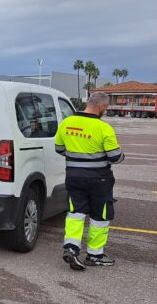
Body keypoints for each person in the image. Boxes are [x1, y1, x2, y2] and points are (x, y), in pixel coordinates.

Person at [55, 92, 124, 270]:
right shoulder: (103, 128)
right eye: (105, 108)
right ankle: (94, 255)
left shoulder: (66, 123)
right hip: (99, 179)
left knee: (75, 213)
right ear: (101, 106)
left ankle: (71, 248)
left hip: (73, 177)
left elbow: (59, 148)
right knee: (100, 216)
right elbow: (115, 157)